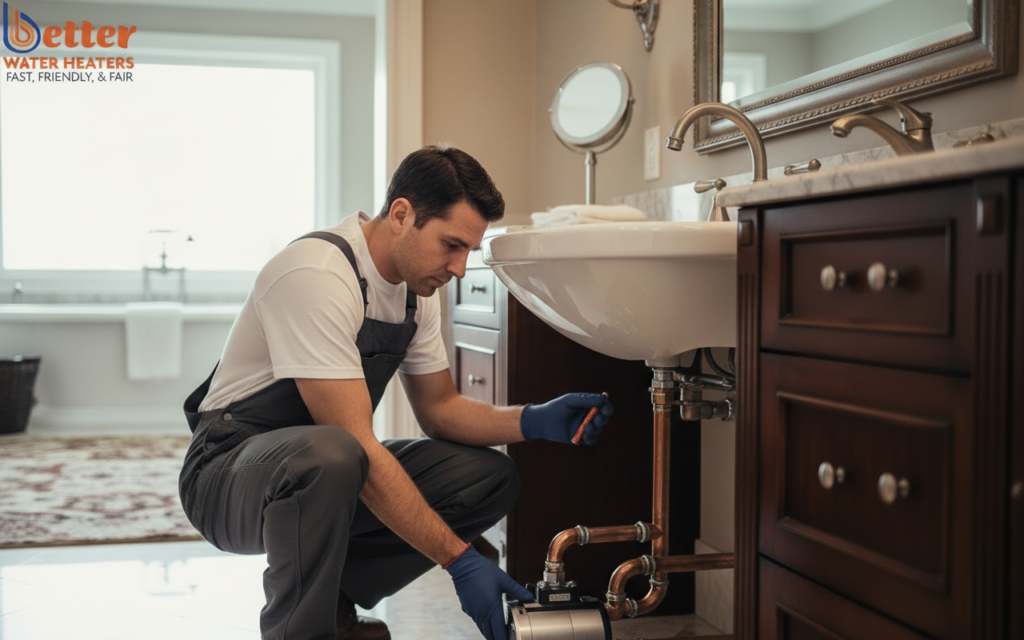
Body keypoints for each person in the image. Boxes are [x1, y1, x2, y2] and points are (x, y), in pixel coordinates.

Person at [178, 145, 614, 640]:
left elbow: (440, 409)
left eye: (468, 252)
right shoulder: (317, 274)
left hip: (323, 468)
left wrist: (530, 420)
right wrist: (459, 560)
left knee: (489, 477)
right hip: (225, 476)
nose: (460, 268)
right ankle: (298, 631)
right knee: (335, 453)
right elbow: (356, 443)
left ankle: (333, 603)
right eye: (451, 245)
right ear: (402, 215)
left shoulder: (413, 292)